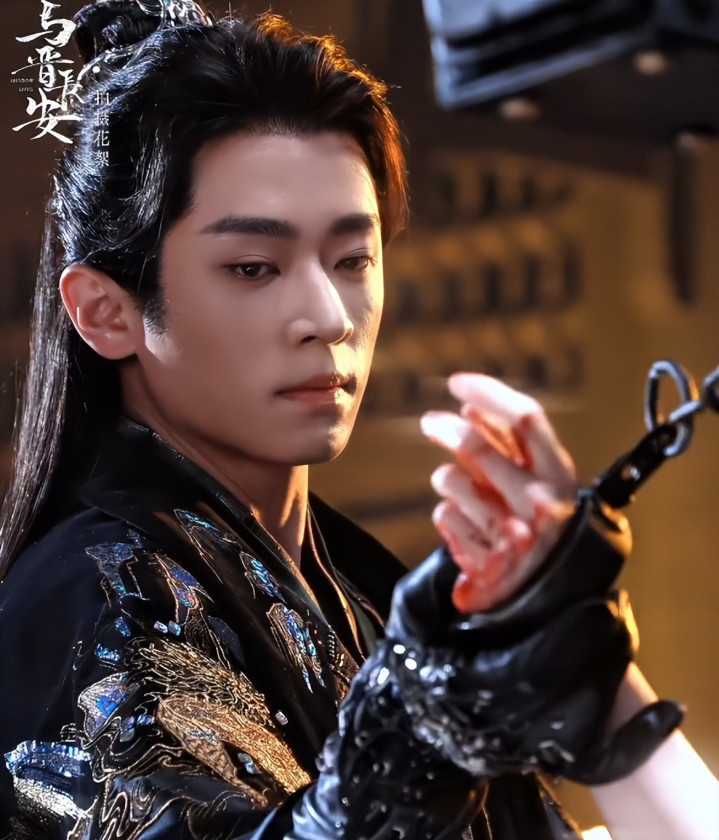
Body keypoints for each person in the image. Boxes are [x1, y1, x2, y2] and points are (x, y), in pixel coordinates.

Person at [0, 2, 716, 838]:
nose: (329, 316)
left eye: (351, 259)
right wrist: (418, 726)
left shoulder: (357, 593)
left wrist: (587, 669)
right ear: (106, 311)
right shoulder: (88, 605)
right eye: (253, 267)